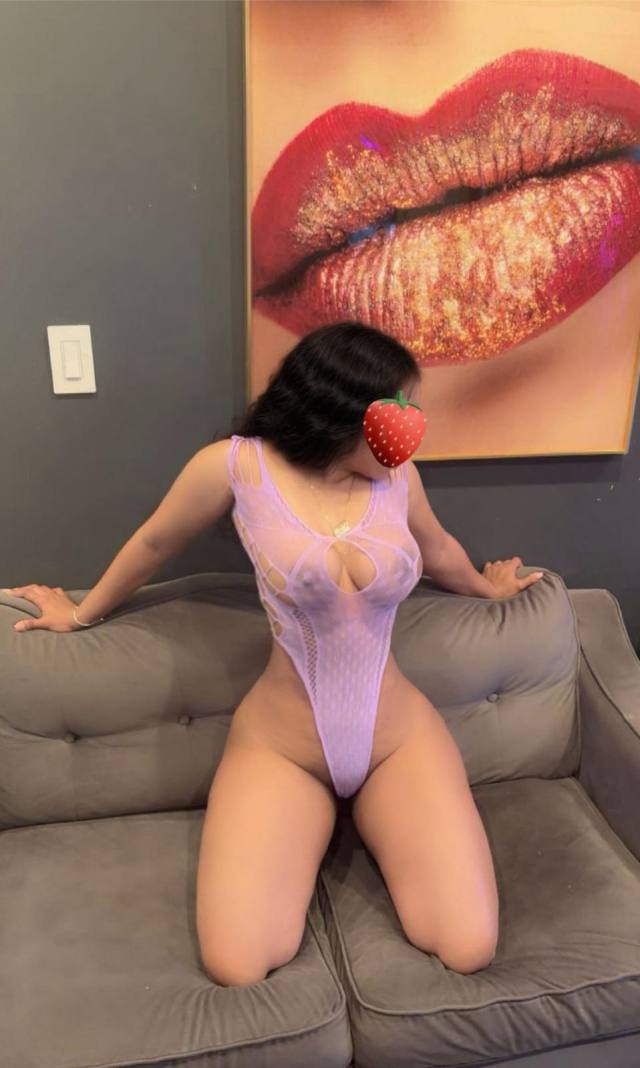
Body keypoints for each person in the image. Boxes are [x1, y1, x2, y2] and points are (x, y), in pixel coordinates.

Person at [4, 321, 544, 986]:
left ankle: (371, 817)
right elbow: (154, 542)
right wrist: (81, 612)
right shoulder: (237, 466)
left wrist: (487, 588)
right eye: (398, 409)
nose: (412, 427)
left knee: (467, 945)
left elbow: (437, 549)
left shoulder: (398, 480)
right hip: (283, 748)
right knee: (238, 961)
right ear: (341, 412)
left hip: (397, 741)